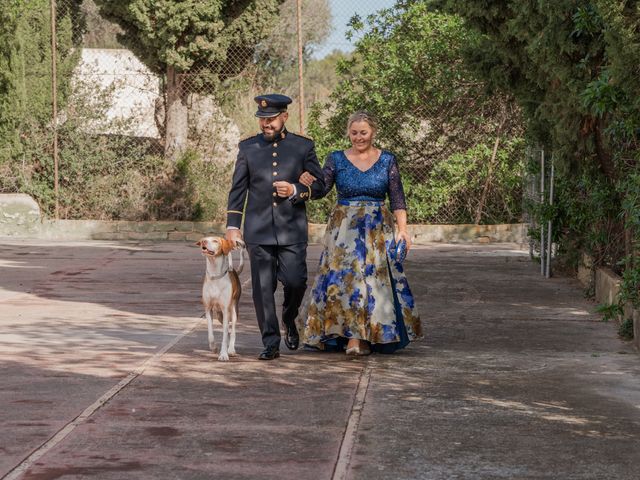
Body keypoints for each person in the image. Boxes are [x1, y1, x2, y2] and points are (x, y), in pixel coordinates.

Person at [296, 111, 422, 355]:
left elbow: (397, 198)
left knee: (374, 283)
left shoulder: (387, 160)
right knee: (346, 282)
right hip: (344, 232)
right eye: (354, 133)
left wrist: (403, 231)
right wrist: (308, 181)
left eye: (363, 132)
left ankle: (371, 336)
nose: (358, 137)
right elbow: (321, 189)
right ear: (348, 133)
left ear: (373, 132)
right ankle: (353, 339)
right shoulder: (336, 159)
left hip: (378, 230)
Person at [225, 94, 326, 361]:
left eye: (270, 119)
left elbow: (320, 186)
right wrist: (233, 226)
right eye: (262, 120)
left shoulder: (303, 147)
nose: (266, 124)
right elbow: (237, 191)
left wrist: (296, 188)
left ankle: (289, 318)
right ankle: (270, 341)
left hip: (292, 229)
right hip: (258, 231)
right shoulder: (247, 148)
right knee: (262, 288)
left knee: (296, 281)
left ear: (284, 117)